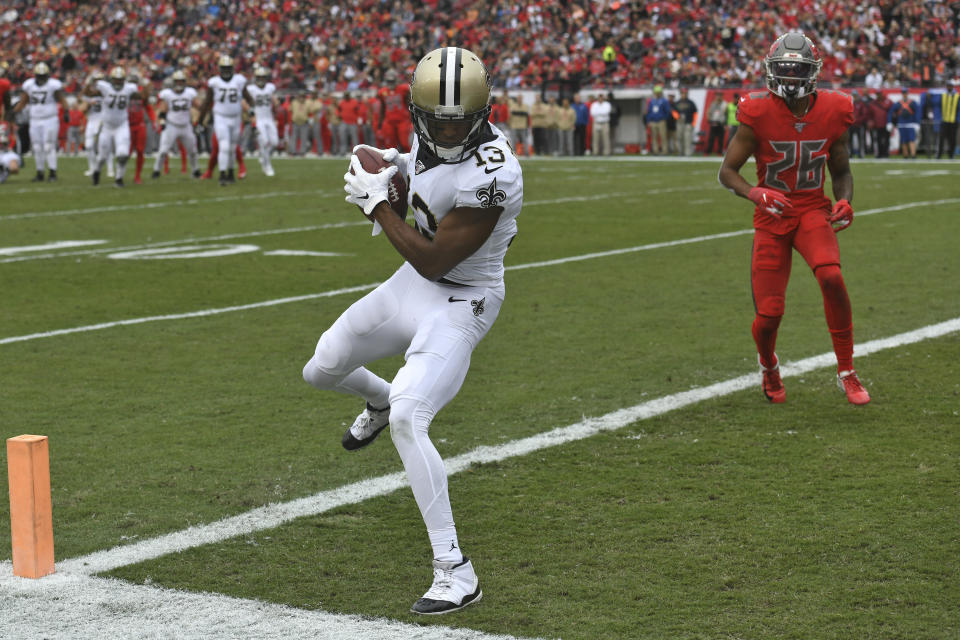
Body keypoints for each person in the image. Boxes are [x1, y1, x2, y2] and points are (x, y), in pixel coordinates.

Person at [303, 46, 523, 615]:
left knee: (410, 414)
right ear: (419, 110)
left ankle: (455, 569)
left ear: (484, 112)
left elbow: (434, 259)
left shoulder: (497, 172)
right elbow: (419, 172)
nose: (448, 131)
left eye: (460, 120)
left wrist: (378, 207)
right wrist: (392, 170)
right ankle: (374, 402)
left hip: (464, 295)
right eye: (438, 119)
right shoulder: (427, 135)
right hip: (415, 282)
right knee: (322, 367)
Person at [718, 32, 870, 406]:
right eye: (782, 70)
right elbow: (727, 171)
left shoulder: (834, 110)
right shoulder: (756, 111)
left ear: (812, 72)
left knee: (831, 275)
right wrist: (755, 192)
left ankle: (847, 371)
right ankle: (769, 365)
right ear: (771, 71)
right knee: (770, 314)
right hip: (771, 216)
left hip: (811, 209)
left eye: (795, 70)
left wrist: (845, 200)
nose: (788, 78)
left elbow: (842, 171)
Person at [85, 65, 146, 187]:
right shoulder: (104, 87)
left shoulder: (129, 88)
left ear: (124, 79)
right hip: (107, 127)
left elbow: (142, 97)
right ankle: (97, 171)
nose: (118, 82)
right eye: (116, 79)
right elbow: (88, 93)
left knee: (123, 153)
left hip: (122, 125)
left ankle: (119, 178)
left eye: (120, 79)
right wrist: (89, 82)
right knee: (102, 156)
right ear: (111, 79)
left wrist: (143, 84)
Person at [197, 55, 253, 185]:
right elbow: (207, 102)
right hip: (221, 117)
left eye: (228, 68)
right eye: (224, 68)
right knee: (224, 146)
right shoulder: (214, 82)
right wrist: (200, 121)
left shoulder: (239, 80)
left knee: (233, 147)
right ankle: (222, 174)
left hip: (236, 118)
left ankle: (230, 173)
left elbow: (248, 97)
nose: (226, 71)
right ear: (219, 69)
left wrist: (252, 108)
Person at [12, 62, 70, 182]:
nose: (42, 78)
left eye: (44, 76)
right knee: (37, 147)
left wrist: (66, 111)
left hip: (50, 119)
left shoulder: (53, 85)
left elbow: (62, 99)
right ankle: (40, 172)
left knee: (49, 146)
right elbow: (23, 101)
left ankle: (53, 172)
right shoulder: (29, 85)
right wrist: (13, 112)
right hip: (35, 120)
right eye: (40, 76)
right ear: (36, 75)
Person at [152, 70, 200, 179]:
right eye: (177, 82)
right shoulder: (168, 94)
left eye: (181, 81)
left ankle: (195, 170)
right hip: (171, 126)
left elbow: (198, 106)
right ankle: (156, 170)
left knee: (192, 150)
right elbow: (163, 111)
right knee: (163, 150)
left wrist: (198, 121)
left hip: (186, 126)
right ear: (174, 82)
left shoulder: (190, 93)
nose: (179, 84)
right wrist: (162, 123)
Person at [246, 66, 278, 176]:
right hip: (259, 119)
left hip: (269, 118)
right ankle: (267, 166)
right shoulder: (251, 89)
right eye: (259, 77)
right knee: (264, 142)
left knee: (275, 142)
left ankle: (264, 157)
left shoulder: (270, 87)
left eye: (263, 77)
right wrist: (251, 116)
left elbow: (273, 99)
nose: (261, 79)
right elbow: (245, 101)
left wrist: (276, 102)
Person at [889, 89, 920, 159]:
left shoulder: (912, 102)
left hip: (911, 124)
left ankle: (913, 155)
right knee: (903, 140)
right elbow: (891, 112)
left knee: (912, 140)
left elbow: (917, 112)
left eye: (905, 93)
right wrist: (890, 122)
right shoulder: (898, 103)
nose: (904, 94)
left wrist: (917, 123)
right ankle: (905, 155)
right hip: (901, 124)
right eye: (903, 93)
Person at [645, 85, 669, 154]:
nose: (657, 94)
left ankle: (665, 151)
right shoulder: (652, 101)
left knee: (663, 137)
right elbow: (649, 111)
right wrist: (648, 121)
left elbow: (667, 111)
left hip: (661, 121)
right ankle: (655, 150)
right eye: (656, 92)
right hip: (653, 121)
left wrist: (664, 118)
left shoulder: (664, 101)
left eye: (658, 92)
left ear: (661, 93)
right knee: (654, 137)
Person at [673, 87, 698, 156]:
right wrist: (677, 117)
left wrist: (694, 123)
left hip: (688, 123)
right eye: (682, 93)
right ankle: (680, 152)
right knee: (679, 138)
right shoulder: (677, 102)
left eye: (685, 93)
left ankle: (687, 153)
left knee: (687, 138)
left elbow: (695, 113)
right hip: (679, 123)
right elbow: (673, 112)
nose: (683, 94)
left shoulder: (691, 103)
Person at [937, 80, 958, 159]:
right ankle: (939, 155)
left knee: (952, 139)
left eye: (950, 86)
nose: (949, 87)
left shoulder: (957, 96)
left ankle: (951, 154)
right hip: (944, 120)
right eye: (948, 86)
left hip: (953, 121)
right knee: (941, 138)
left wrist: (957, 119)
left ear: (953, 86)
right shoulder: (943, 95)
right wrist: (940, 117)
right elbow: (938, 106)